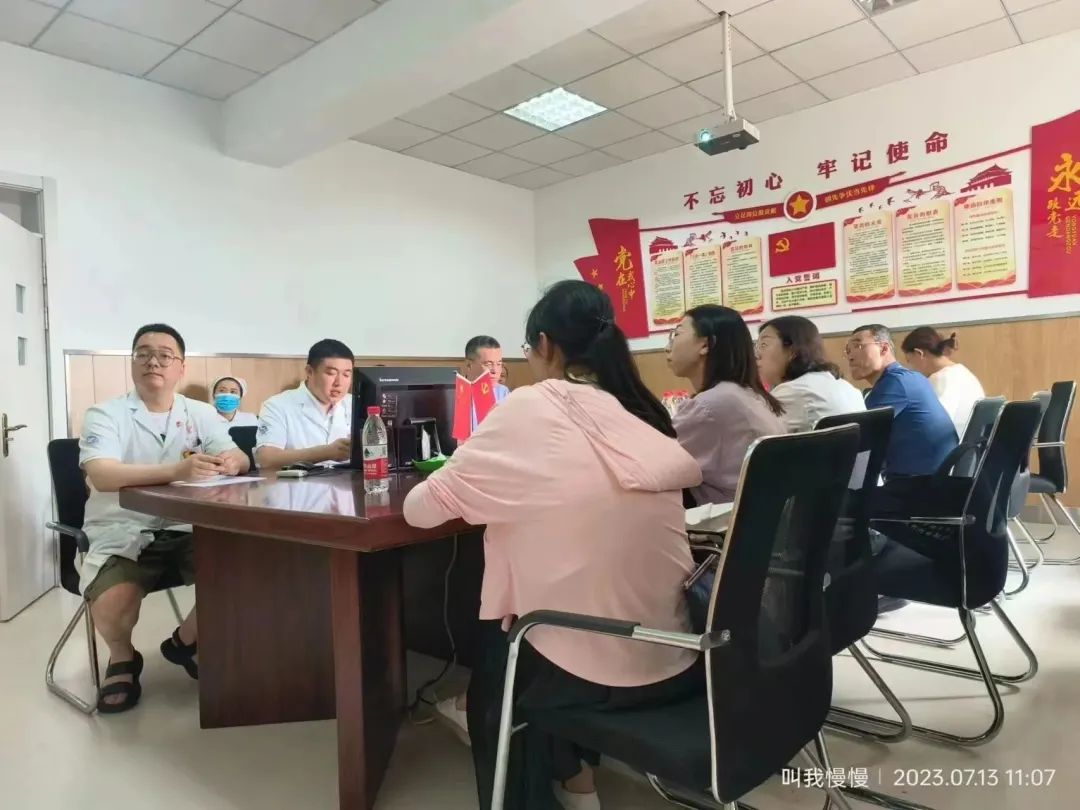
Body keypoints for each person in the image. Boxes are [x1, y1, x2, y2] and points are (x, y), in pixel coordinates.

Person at [404, 280, 702, 810]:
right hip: (679, 648)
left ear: (544, 345)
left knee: (505, 646)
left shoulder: (531, 405)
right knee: (553, 595)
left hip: (593, 664)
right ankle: (577, 782)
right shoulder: (631, 410)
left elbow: (419, 510)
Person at [79, 324, 250, 713]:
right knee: (115, 603)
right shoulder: (105, 414)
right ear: (132, 362)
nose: (153, 361)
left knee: (245, 571)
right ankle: (122, 656)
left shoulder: (200, 413)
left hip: (186, 524)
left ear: (181, 367)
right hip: (123, 527)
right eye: (143, 353)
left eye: (165, 354)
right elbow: (102, 475)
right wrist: (177, 471)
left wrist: (232, 461)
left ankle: (183, 642)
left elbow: (238, 456)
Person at [666, 304, 785, 505]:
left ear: (705, 345)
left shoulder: (711, 405)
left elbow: (658, 463)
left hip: (725, 518)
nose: (668, 347)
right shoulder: (747, 395)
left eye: (676, 334)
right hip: (762, 513)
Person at [845, 324, 957, 478]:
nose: (850, 356)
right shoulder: (911, 377)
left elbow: (860, 442)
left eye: (858, 346)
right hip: (937, 480)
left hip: (919, 485)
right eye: (848, 350)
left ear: (884, 349)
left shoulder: (893, 384)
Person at [755, 315, 866, 433]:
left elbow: (752, 438)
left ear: (793, 350)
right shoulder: (847, 387)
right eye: (756, 346)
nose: (756, 355)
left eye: (764, 345)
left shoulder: (792, 392)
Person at [255, 339, 354, 468]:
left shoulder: (354, 403)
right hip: (299, 480)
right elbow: (267, 459)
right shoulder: (277, 405)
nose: (339, 382)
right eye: (331, 373)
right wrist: (326, 452)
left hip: (347, 479)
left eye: (346, 375)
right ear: (309, 372)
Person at [901, 327, 986, 439]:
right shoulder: (962, 371)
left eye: (909, 360)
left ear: (919, 354)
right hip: (970, 445)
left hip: (952, 446)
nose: (910, 368)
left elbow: (933, 425)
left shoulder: (941, 378)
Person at [463, 335, 511, 432]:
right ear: (469, 365)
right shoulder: (456, 393)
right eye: (488, 364)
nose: (495, 371)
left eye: (499, 364)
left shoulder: (503, 392)